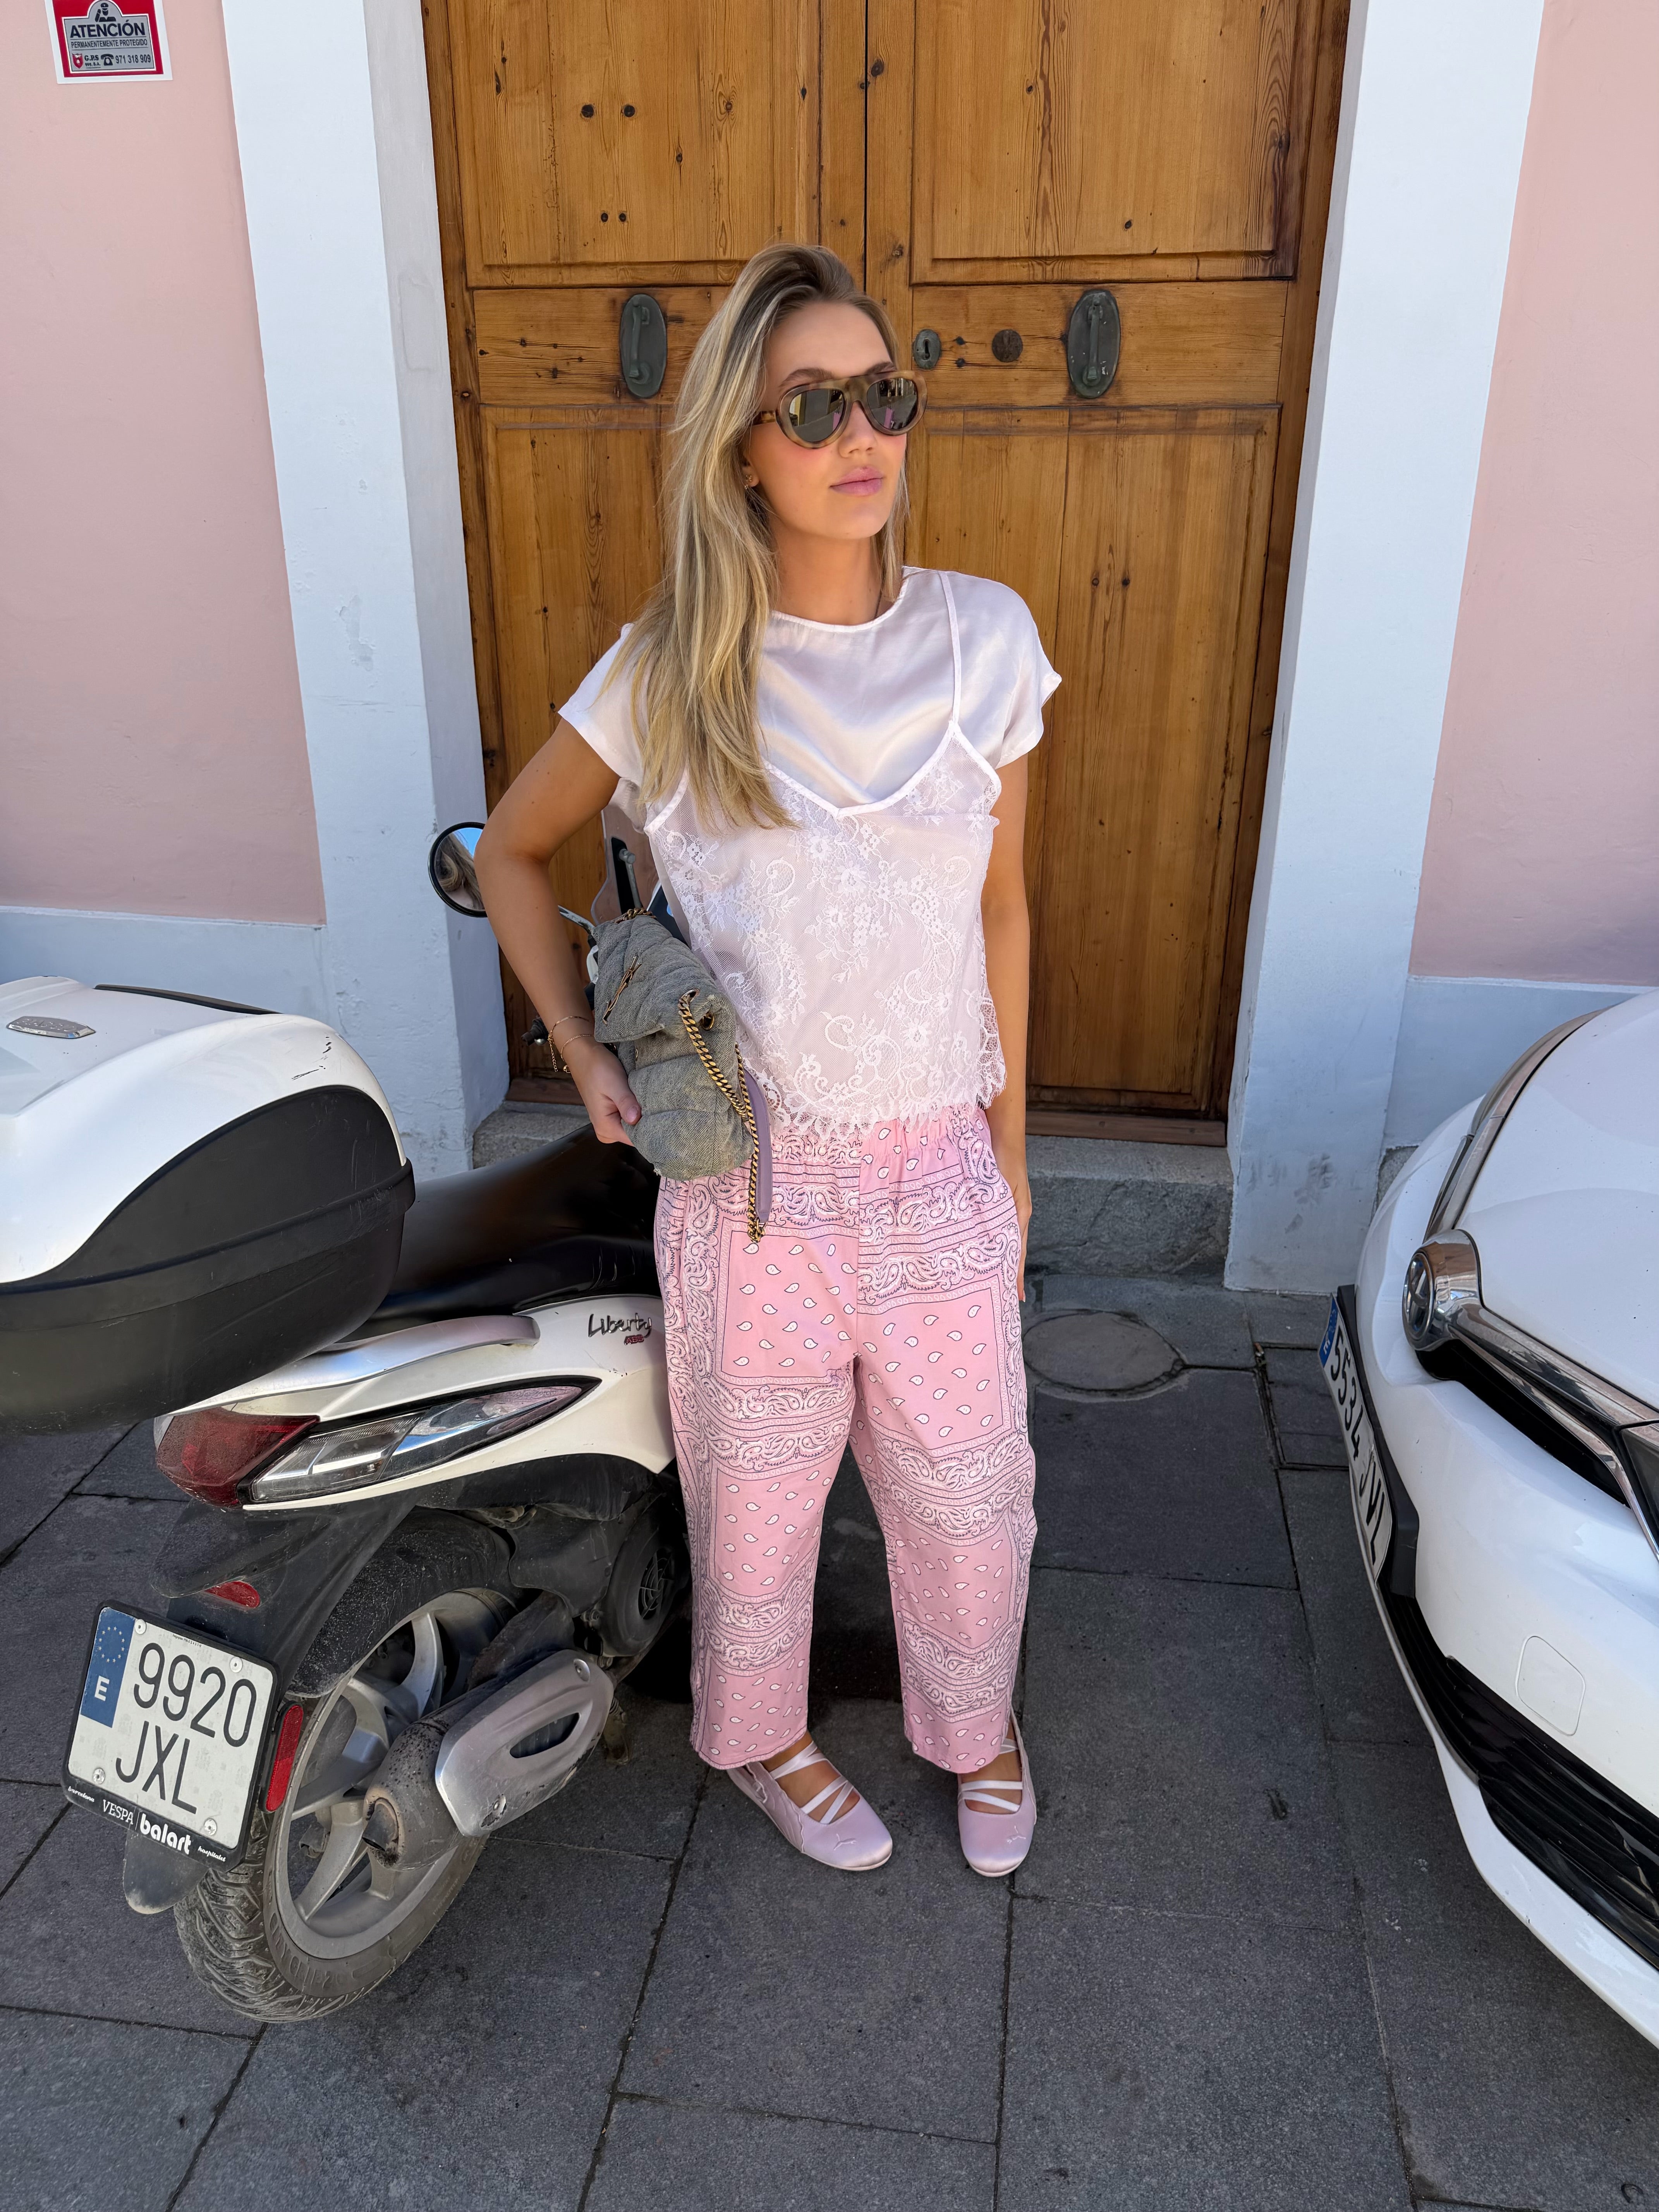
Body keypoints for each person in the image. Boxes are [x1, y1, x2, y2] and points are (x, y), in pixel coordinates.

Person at [475, 243, 1058, 1878]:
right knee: (756, 1502)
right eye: (811, 406)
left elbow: (1005, 911)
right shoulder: (669, 673)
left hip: (937, 1164)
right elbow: (514, 851)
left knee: (971, 1492)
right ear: (742, 446)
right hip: (751, 1188)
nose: (859, 433)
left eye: (883, 393)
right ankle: (763, 1740)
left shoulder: (986, 642)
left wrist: (1014, 1158)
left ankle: (980, 1726)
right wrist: (581, 1054)